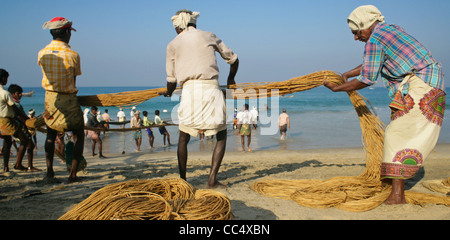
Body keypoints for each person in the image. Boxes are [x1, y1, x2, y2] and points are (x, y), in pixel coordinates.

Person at [323, 5, 445, 205]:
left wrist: (337, 89)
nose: (355, 38)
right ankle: (393, 185)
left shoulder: (375, 40)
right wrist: (348, 74)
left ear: (365, 25)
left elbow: (368, 78)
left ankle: (397, 196)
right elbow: (374, 62)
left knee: (396, 133)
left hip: (422, 85)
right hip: (431, 83)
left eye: (356, 32)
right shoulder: (389, 30)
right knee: (400, 129)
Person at [160, 9, 239, 188]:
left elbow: (171, 81)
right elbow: (234, 60)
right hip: (211, 88)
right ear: (194, 23)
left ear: (178, 27)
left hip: (189, 91)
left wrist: (168, 92)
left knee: (183, 136)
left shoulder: (173, 44)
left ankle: (183, 180)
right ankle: (212, 180)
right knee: (221, 135)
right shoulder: (209, 35)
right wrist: (231, 79)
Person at [38, 17, 86, 183]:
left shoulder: (42, 53)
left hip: (50, 98)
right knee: (78, 133)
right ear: (66, 32)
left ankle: (50, 171)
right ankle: (72, 175)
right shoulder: (73, 55)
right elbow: (73, 81)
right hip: (68, 97)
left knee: (51, 133)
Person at [0, 71, 32, 173]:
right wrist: (26, 119)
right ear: (2, 78)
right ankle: (18, 164)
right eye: (5, 78)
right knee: (24, 139)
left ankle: (6, 167)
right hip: (6, 121)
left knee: (8, 142)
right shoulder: (5, 93)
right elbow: (14, 109)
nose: (6, 80)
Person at [8, 84, 39, 172]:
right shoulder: (15, 104)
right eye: (18, 93)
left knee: (28, 144)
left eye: (21, 93)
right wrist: (26, 121)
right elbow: (18, 116)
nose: (20, 95)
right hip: (19, 127)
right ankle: (23, 165)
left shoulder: (16, 103)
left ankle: (23, 165)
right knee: (27, 143)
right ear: (13, 94)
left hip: (20, 126)